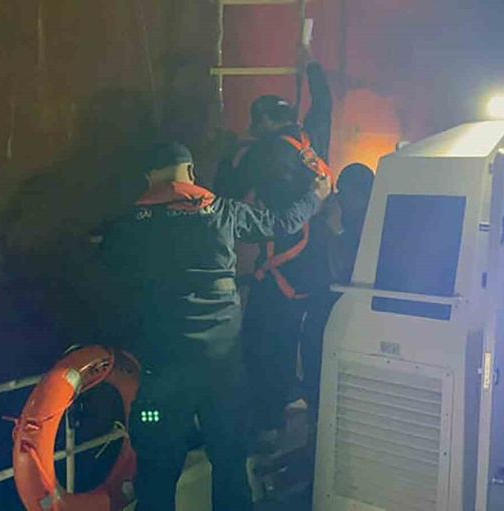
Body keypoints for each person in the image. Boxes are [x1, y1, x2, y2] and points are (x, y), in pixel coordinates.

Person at [99, 142, 331, 511]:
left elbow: (107, 276)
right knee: (229, 461)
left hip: (163, 372)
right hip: (222, 370)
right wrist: (315, 197)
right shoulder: (223, 211)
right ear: (191, 173)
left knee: (157, 470)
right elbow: (281, 223)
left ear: (149, 178)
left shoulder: (127, 226)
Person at [215, 48, 333, 447]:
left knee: (262, 343)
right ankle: (305, 418)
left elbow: (227, 195)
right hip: (317, 264)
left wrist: (227, 156)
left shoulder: (263, 152)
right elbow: (324, 103)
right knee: (304, 342)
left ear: (264, 122)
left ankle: (265, 422)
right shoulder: (312, 141)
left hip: (280, 268)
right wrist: (311, 64)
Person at [300, 163, 375, 423]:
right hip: (324, 308)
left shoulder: (366, 225)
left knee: (325, 379)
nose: (338, 197)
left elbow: (340, 269)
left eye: (343, 191)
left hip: (343, 314)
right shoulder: (348, 218)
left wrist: (333, 228)